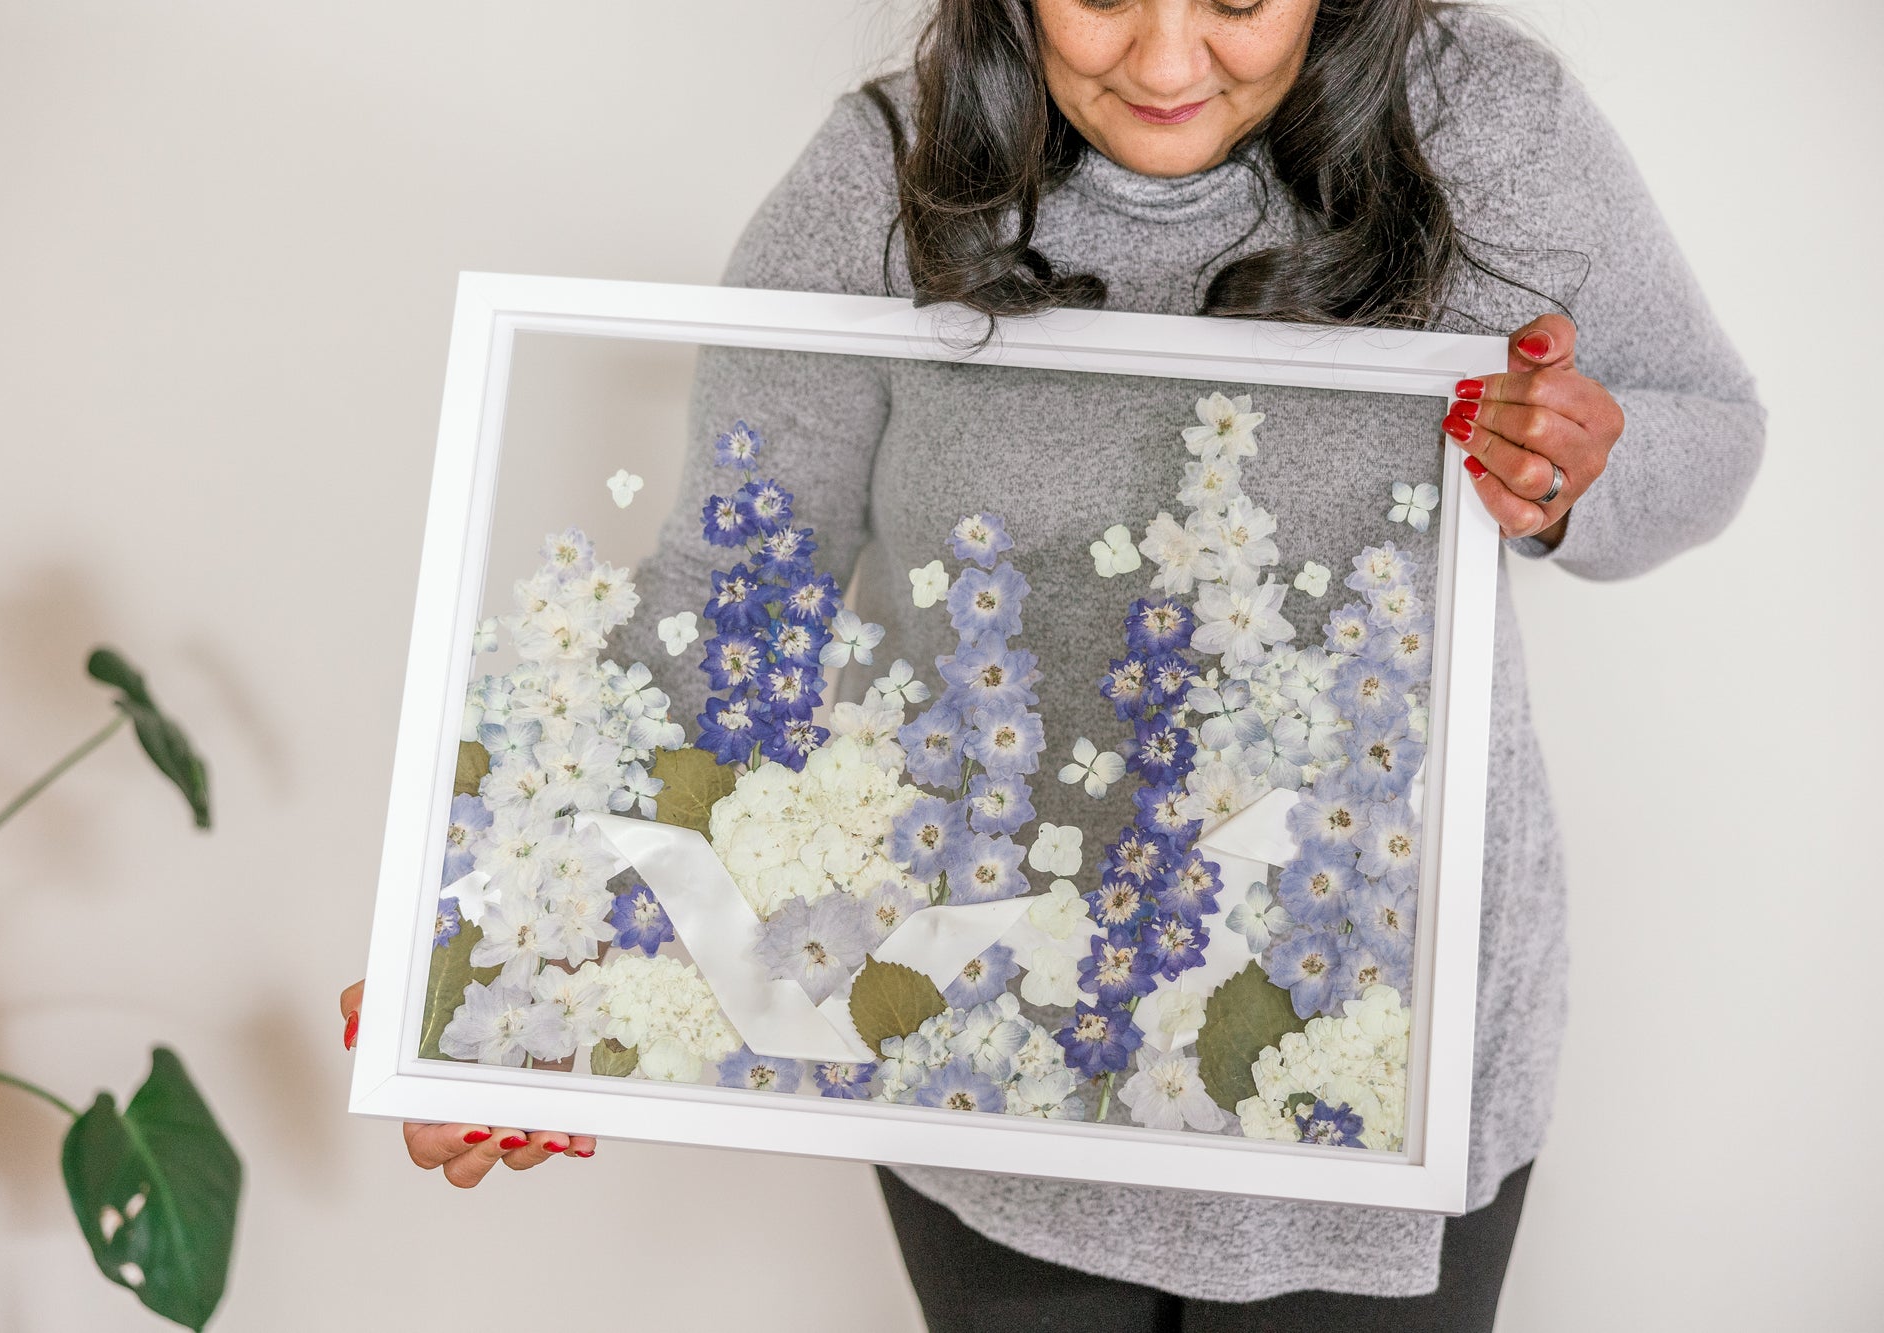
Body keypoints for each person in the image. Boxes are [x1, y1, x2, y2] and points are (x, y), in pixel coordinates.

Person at [341, 1, 1762, 1327]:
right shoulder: (876, 184)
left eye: (1238, 2)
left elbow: (1710, 427)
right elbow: (728, 602)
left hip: (1386, 1049)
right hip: (990, 1050)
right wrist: (487, 943)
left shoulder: (1482, 124)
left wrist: (1581, 466)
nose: (1162, 62)